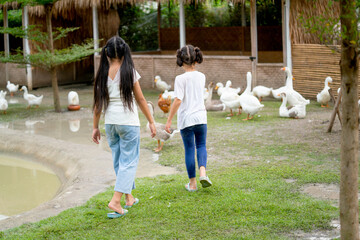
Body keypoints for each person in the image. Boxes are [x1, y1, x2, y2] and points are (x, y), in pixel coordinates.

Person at [92, 36, 156, 218]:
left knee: (120, 161)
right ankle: (116, 201)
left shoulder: (103, 73)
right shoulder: (129, 71)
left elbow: (98, 105)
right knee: (128, 162)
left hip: (110, 124)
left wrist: (95, 127)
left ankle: (129, 197)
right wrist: (151, 121)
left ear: (107, 53)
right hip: (128, 123)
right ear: (125, 51)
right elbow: (141, 99)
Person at [165, 45, 212, 192]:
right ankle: (203, 173)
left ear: (180, 60)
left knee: (190, 149)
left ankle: (192, 184)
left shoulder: (180, 79)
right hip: (201, 117)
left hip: (186, 119)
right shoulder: (202, 76)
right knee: (201, 145)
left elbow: (178, 100)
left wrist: (169, 119)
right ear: (196, 60)